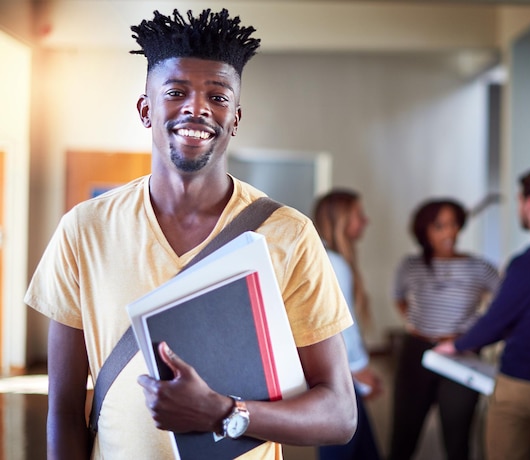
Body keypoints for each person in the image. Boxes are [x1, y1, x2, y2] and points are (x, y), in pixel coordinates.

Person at [24, 9, 357, 460]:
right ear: (146, 110)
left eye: (217, 97)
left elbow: (339, 415)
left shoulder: (290, 234)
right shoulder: (85, 229)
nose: (196, 107)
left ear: (235, 118)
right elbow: (63, 410)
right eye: (176, 92)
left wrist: (223, 412)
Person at [435, 168, 530, 460]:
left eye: (520, 200)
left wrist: (454, 346)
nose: (519, 207)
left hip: (520, 387)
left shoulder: (526, 264)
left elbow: (496, 322)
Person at [389, 199, 501, 460]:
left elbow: (504, 304)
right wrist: (418, 322)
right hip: (416, 352)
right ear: (424, 231)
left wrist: (476, 335)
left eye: (453, 225)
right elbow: (398, 297)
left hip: (461, 353)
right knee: (403, 438)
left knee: (457, 441)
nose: (449, 233)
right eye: (440, 226)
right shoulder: (410, 266)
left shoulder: (480, 268)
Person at [313, 189, 384, 460]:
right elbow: (342, 325)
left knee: (362, 447)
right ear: (342, 219)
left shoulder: (326, 257)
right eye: (359, 215)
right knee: (343, 449)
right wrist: (360, 368)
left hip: (334, 370)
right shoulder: (335, 263)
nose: (365, 221)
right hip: (335, 371)